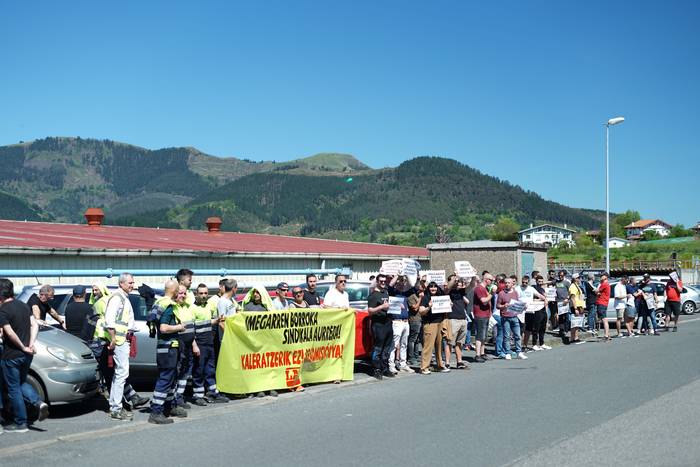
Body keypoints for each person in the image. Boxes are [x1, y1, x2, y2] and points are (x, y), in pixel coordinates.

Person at [0, 278, 50, 432]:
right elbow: (35, 324)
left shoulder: (3, 311)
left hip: (12, 355)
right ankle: (37, 402)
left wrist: (22, 346)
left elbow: (9, 332)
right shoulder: (23, 305)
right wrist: (31, 344)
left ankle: (21, 422)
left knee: (13, 388)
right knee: (21, 383)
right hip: (27, 355)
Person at [148, 280, 187, 424]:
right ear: (175, 290)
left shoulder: (160, 302)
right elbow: (163, 328)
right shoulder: (168, 306)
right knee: (165, 379)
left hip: (167, 347)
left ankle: (169, 407)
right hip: (168, 347)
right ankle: (156, 412)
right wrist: (179, 327)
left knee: (171, 378)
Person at [104, 272, 137, 421]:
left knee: (121, 373)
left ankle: (115, 406)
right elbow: (109, 320)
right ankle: (116, 408)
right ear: (121, 283)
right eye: (130, 283)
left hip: (122, 339)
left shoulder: (123, 297)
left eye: (132, 283)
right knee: (121, 374)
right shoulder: (117, 298)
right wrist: (113, 339)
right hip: (119, 340)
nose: (132, 285)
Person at [191, 284, 228, 406]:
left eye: (205, 293)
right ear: (196, 294)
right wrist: (194, 345)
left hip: (209, 342)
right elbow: (191, 329)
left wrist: (217, 320)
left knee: (210, 369)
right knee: (199, 370)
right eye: (201, 293)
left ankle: (212, 392)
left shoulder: (208, 307)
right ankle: (198, 395)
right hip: (199, 343)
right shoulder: (192, 308)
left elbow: (209, 322)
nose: (203, 296)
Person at [173, 284, 198, 409]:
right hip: (179, 344)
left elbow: (191, 328)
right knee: (177, 371)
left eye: (184, 293)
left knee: (185, 372)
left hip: (188, 344)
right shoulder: (173, 307)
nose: (183, 295)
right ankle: (174, 398)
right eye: (180, 293)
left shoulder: (189, 308)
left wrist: (194, 345)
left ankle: (180, 396)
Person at [418, 282, 449, 374]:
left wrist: (449, 306)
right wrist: (429, 307)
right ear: (428, 288)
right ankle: (424, 367)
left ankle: (440, 365)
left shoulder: (440, 297)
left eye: (435, 287)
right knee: (428, 346)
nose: (433, 288)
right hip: (429, 324)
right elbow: (421, 311)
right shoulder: (425, 298)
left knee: (439, 346)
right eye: (431, 287)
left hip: (440, 323)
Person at [367, 274, 394, 379]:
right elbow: (370, 311)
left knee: (387, 348)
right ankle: (376, 369)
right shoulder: (373, 295)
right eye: (381, 281)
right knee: (378, 348)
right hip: (378, 324)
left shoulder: (386, 293)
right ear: (377, 282)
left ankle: (385, 368)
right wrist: (382, 306)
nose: (383, 283)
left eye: (384, 281)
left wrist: (397, 306)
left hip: (388, 323)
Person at [387, 274, 415, 374]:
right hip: (396, 322)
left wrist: (407, 276)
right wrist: (397, 276)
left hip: (405, 322)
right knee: (394, 345)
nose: (402, 284)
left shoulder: (405, 294)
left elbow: (412, 287)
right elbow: (390, 285)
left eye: (403, 283)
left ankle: (403, 364)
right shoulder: (393, 293)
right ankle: (391, 365)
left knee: (404, 344)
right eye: (399, 283)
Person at [497, 277, 527, 360]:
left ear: (512, 284)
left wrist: (523, 307)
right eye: (505, 283)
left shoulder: (515, 293)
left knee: (517, 335)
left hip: (514, 316)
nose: (507, 284)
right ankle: (507, 352)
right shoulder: (501, 293)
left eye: (508, 283)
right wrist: (503, 306)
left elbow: (517, 304)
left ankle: (519, 352)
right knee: (506, 336)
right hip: (505, 317)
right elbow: (497, 305)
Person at [444, 274, 469, 369]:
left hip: (462, 319)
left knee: (460, 342)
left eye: (458, 281)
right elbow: (448, 287)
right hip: (452, 319)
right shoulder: (448, 292)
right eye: (455, 281)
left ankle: (459, 361)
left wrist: (473, 276)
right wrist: (455, 277)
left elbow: (471, 285)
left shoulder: (461, 292)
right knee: (450, 342)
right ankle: (447, 362)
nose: (457, 282)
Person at [518, 275, 545, 350]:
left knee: (528, 329)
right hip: (520, 312)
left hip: (530, 311)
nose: (524, 284)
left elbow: (539, 295)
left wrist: (545, 299)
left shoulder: (531, 289)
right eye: (523, 282)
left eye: (526, 283)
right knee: (521, 330)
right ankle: (519, 346)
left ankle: (525, 345)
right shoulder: (517, 289)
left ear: (528, 282)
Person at [472, 273, 494, 363]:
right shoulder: (479, 288)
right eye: (491, 280)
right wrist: (491, 294)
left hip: (485, 314)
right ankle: (477, 355)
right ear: (486, 280)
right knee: (480, 335)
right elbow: (484, 301)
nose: (492, 282)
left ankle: (482, 353)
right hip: (480, 315)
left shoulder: (484, 288)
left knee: (483, 336)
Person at [530, 275, 551, 350]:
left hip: (543, 309)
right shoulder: (533, 288)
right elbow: (533, 298)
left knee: (543, 327)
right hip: (537, 310)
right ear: (536, 281)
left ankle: (542, 343)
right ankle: (534, 344)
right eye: (539, 281)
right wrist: (541, 299)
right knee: (536, 328)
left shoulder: (542, 289)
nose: (541, 283)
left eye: (542, 281)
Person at [406, 282, 424, 366]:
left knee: (417, 340)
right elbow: (415, 308)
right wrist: (420, 298)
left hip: (421, 319)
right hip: (414, 320)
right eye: (420, 289)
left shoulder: (422, 296)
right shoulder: (411, 297)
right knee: (412, 339)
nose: (421, 290)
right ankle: (410, 357)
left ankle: (416, 356)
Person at [554, 270, 571, 344]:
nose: (560, 277)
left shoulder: (567, 282)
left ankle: (566, 330)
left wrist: (567, 299)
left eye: (562, 275)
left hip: (565, 301)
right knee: (560, 317)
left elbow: (570, 291)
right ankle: (561, 330)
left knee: (566, 316)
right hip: (559, 302)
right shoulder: (556, 282)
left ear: (564, 275)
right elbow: (550, 283)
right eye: (559, 275)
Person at [595, 272, 612, 341]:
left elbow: (596, 291)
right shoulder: (606, 284)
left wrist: (597, 290)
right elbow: (599, 292)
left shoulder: (604, 284)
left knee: (604, 319)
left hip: (602, 303)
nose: (600, 277)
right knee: (604, 318)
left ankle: (606, 335)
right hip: (603, 303)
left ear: (605, 277)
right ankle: (607, 334)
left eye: (602, 276)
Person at [568, 273, 585, 343]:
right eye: (578, 278)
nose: (579, 279)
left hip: (579, 305)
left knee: (577, 323)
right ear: (575, 279)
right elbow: (572, 298)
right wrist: (575, 308)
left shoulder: (577, 286)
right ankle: (572, 338)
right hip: (576, 306)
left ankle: (576, 337)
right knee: (574, 323)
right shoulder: (572, 286)